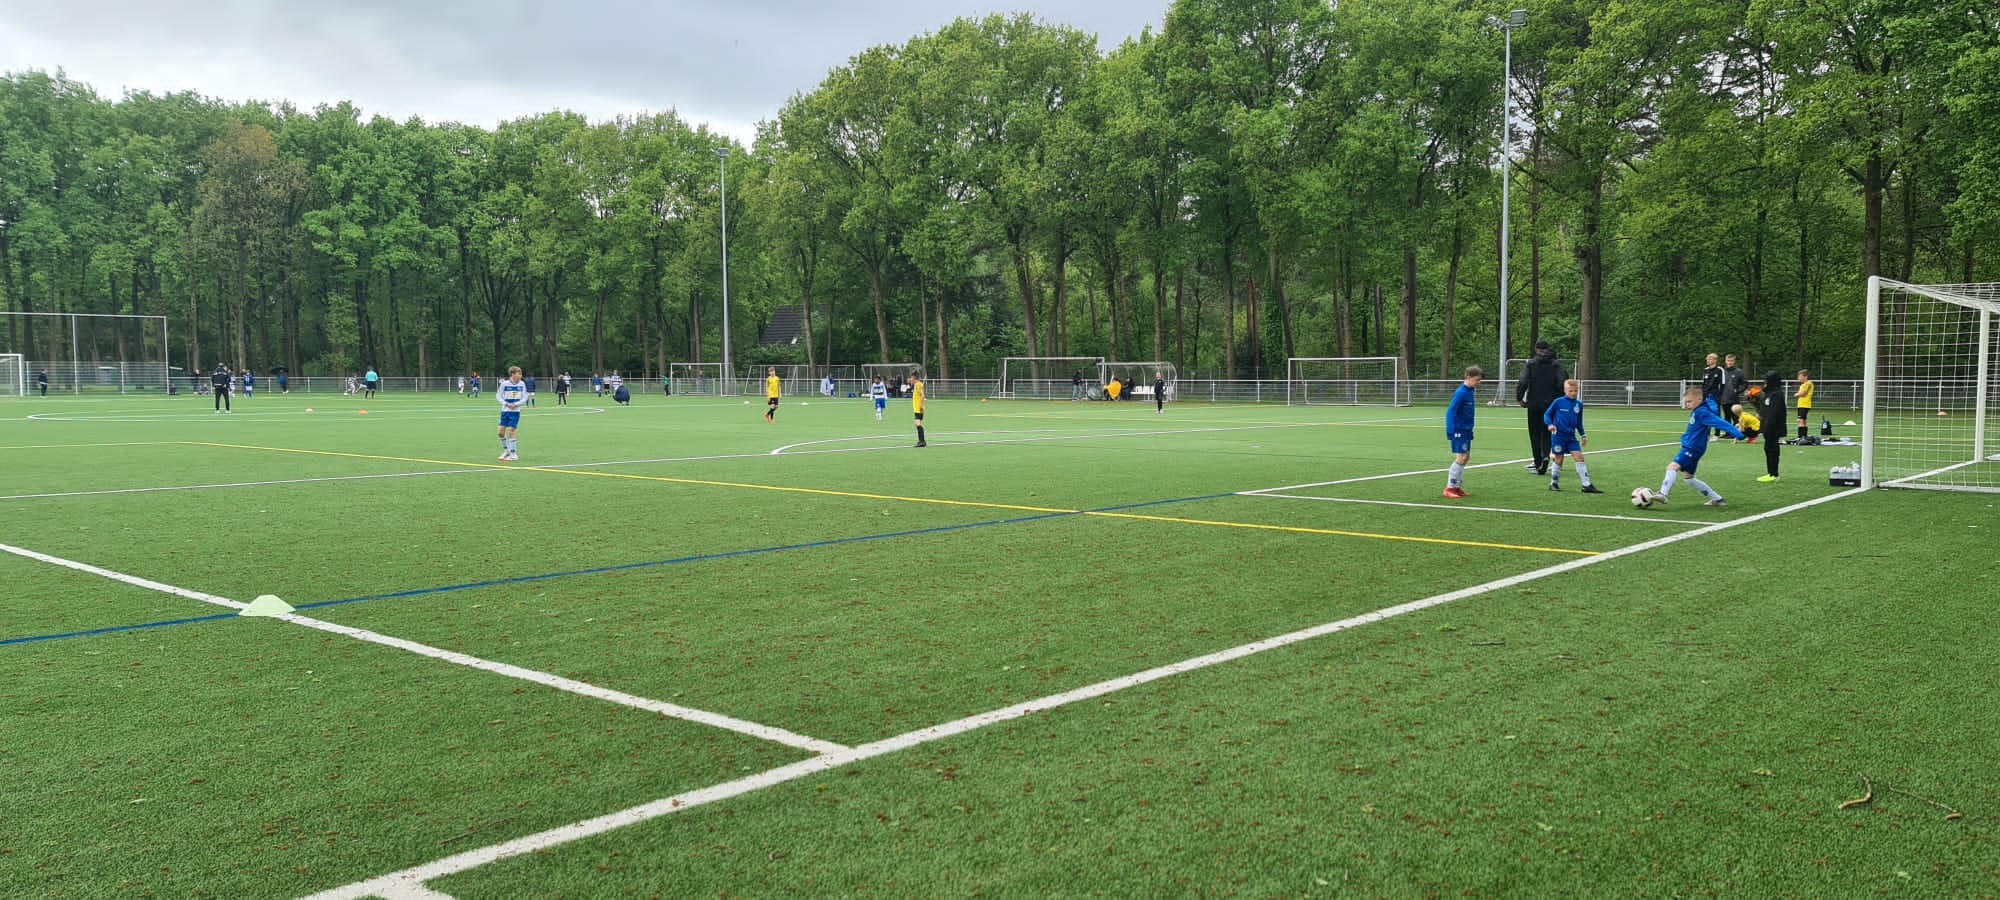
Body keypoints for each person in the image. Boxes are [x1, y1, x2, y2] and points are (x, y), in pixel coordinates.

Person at [1651, 386, 1743, 508]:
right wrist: (1711, 400)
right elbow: (1713, 408)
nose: (1687, 405)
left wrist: (1739, 434)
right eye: (1686, 402)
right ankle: (1717, 499)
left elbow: (1721, 423)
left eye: (1689, 401)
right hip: (1695, 448)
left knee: (1672, 467)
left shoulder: (1702, 413)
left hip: (1692, 447)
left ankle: (1663, 494)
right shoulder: (1700, 409)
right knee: (1689, 478)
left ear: (1699, 399)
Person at [1515, 339, 1566, 475]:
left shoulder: (1531, 364)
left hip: (1534, 404)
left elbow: (1522, 381)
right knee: (1548, 432)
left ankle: (1538, 462)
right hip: (1552, 404)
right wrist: (1561, 400)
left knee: (1535, 434)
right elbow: (1562, 382)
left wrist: (1520, 398)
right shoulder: (1556, 364)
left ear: (1536, 349)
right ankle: (1546, 456)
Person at [1544, 378, 1603, 493]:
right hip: (1558, 436)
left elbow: (1579, 422)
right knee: (1559, 459)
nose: (1573, 393)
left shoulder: (1579, 404)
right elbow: (1547, 414)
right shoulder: (1558, 402)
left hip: (1571, 437)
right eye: (1570, 391)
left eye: (1575, 391)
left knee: (1579, 457)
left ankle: (1586, 485)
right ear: (1565, 391)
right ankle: (1554, 483)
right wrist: (1550, 424)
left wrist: (1583, 435)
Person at [1443, 366, 1482, 499]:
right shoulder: (1461, 392)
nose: (1478, 383)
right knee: (1461, 458)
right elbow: (1450, 411)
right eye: (1476, 380)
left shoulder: (1470, 391)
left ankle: (1457, 486)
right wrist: (1450, 430)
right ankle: (1449, 488)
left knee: (1466, 457)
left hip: (1466, 430)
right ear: (1468, 378)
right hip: (1458, 430)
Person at [1754, 371, 1786, 482]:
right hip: (1767, 426)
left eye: (1766, 380)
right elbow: (1765, 409)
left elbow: (1774, 413)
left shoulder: (1776, 394)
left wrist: (1768, 426)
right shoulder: (1768, 393)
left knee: (1772, 449)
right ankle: (1771, 473)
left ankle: (1773, 474)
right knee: (1768, 448)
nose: (1765, 382)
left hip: (1773, 427)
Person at [495, 366, 527, 461]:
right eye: (518, 374)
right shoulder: (504, 384)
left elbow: (525, 397)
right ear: (512, 374)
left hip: (515, 412)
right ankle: (507, 451)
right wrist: (506, 403)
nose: (520, 376)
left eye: (520, 374)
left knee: (511, 431)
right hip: (505, 411)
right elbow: (498, 396)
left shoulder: (522, 384)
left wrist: (516, 404)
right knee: (500, 433)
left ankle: (513, 453)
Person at [1719, 353, 1747, 429]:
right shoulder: (1721, 372)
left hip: (1734, 399)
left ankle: (1736, 432)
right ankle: (1728, 432)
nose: (1730, 362)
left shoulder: (1739, 372)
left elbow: (1744, 383)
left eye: (1731, 360)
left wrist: (1737, 390)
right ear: (1725, 361)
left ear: (1734, 361)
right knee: (1726, 417)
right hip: (1724, 398)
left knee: (1736, 417)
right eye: (1728, 360)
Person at [1793, 369, 1814, 441]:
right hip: (1802, 405)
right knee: (1803, 421)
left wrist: (1796, 394)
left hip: (1804, 405)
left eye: (1800, 376)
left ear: (1805, 377)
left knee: (1800, 420)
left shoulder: (1807, 383)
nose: (1798, 378)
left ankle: (1800, 436)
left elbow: (1803, 393)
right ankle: (1804, 437)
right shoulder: (1804, 384)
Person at [910, 369, 928, 447]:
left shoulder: (918, 384)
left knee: (917, 423)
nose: (910, 379)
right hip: (917, 408)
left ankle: (922, 441)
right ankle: (922, 441)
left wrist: (920, 406)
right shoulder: (917, 384)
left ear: (914, 378)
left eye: (911, 378)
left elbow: (922, 395)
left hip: (919, 408)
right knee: (917, 423)